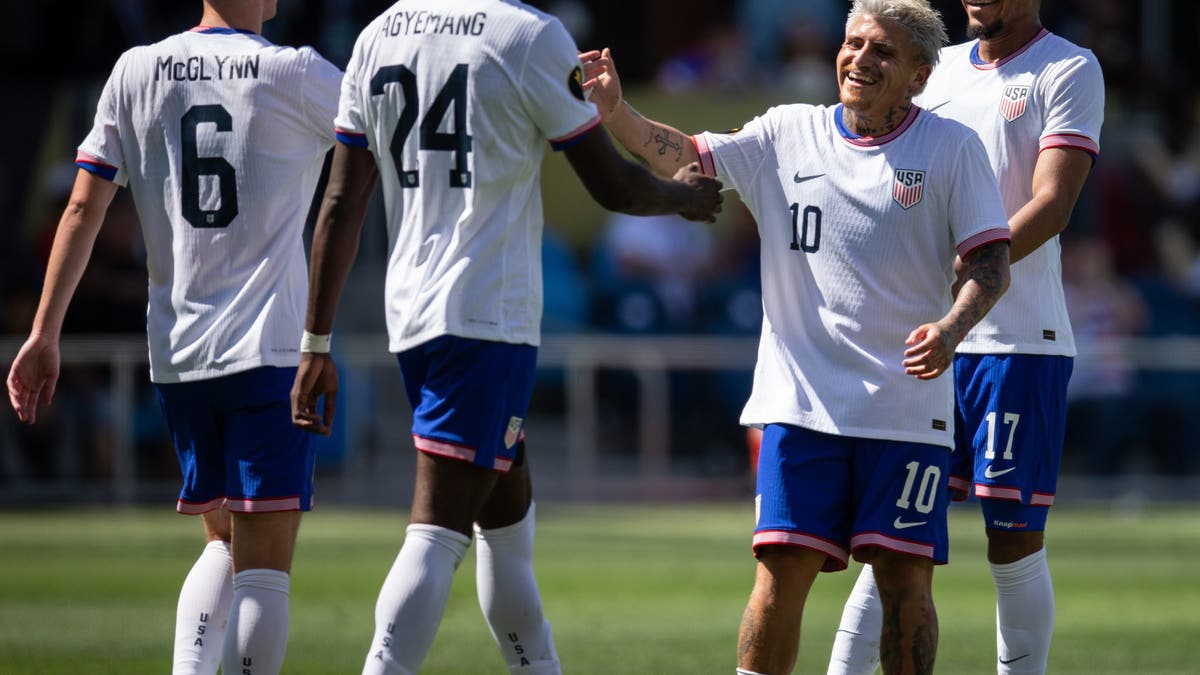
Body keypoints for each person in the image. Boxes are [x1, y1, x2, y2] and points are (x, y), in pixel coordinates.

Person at [286, 2, 723, 674]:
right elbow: (609, 185)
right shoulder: (528, 34)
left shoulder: (378, 34)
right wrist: (681, 196)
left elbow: (342, 202)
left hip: (414, 313)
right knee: (437, 531)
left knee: (507, 527)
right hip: (485, 318)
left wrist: (316, 342)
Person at [580, 0, 1011, 672]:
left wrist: (953, 328)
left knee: (905, 584)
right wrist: (617, 113)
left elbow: (991, 265)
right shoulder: (787, 132)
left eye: (883, 52)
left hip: (906, 410)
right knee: (779, 574)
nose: (860, 59)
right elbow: (687, 155)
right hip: (799, 404)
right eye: (853, 43)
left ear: (920, 77)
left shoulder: (952, 148)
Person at [5, 2, 342, 673]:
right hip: (266, 352)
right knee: (265, 568)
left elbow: (82, 203)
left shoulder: (137, 70)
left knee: (222, 542)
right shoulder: (295, 73)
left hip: (180, 356)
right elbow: (390, 130)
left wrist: (45, 331)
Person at [826, 1, 1104, 674]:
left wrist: (966, 265)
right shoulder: (932, 67)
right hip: (926, 342)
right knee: (890, 538)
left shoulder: (1066, 68)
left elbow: (1053, 202)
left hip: (1017, 342)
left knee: (1012, 540)